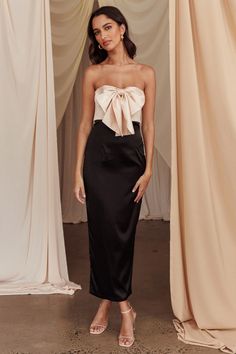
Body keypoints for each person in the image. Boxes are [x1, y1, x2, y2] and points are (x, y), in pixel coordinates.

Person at [74, 5, 156, 348]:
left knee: (122, 235)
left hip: (131, 160)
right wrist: (77, 172)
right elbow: (83, 125)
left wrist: (149, 168)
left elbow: (149, 125)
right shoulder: (93, 73)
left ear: (122, 29)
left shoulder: (146, 73)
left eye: (107, 28)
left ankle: (108, 301)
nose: (102, 36)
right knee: (101, 231)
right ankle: (122, 308)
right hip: (99, 158)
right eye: (97, 32)